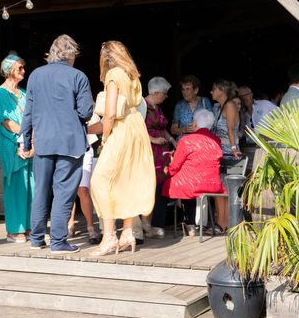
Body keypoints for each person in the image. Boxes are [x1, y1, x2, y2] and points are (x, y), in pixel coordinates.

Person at [21, 35, 94, 254]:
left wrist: (25, 140)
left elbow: (29, 112)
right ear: (71, 54)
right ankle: (59, 241)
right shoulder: (78, 76)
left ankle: (36, 238)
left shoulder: (36, 75)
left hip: (43, 141)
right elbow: (86, 112)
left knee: (41, 190)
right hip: (70, 142)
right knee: (63, 191)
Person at [90, 41, 156, 256]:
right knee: (128, 178)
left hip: (121, 129)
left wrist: (105, 137)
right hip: (136, 126)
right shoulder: (132, 75)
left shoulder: (113, 75)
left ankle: (109, 236)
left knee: (99, 180)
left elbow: (109, 114)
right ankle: (128, 231)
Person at [162, 109, 225, 236]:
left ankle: (163, 225)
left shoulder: (186, 140)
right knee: (188, 182)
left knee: (167, 186)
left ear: (194, 124)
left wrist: (167, 171)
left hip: (190, 184)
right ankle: (189, 224)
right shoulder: (216, 140)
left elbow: (175, 166)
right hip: (211, 184)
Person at [0, 53, 34, 243]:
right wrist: (23, 136)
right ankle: (13, 229)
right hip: (11, 144)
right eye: (19, 68)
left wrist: (31, 138)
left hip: (28, 144)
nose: (23, 71)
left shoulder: (24, 93)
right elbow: (5, 121)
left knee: (31, 186)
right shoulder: (0, 93)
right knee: (16, 186)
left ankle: (29, 226)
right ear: (9, 70)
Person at [144, 76, 176, 238]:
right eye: (164, 93)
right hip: (149, 151)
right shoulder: (142, 106)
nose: (166, 96)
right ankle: (146, 223)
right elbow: (136, 128)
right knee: (149, 187)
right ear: (156, 92)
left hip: (162, 153)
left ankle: (156, 223)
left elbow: (163, 128)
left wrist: (171, 139)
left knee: (161, 187)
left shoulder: (157, 107)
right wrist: (153, 139)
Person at [210, 78, 240, 233]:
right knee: (219, 188)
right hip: (219, 152)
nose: (211, 92)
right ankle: (221, 221)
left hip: (228, 152)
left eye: (214, 89)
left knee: (226, 189)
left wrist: (234, 148)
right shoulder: (219, 107)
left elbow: (231, 130)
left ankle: (226, 222)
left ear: (221, 90)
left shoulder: (229, 105)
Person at [67, 113, 102, 245]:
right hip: (64, 147)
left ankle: (90, 227)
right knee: (68, 189)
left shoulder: (88, 108)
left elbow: (97, 123)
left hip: (85, 147)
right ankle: (69, 224)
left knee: (83, 189)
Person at [170, 75, 212, 140]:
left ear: (196, 90)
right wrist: (184, 129)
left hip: (201, 142)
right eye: (183, 89)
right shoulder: (179, 106)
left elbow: (212, 124)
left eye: (188, 89)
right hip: (184, 143)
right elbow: (173, 130)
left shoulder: (205, 102)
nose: (184, 92)